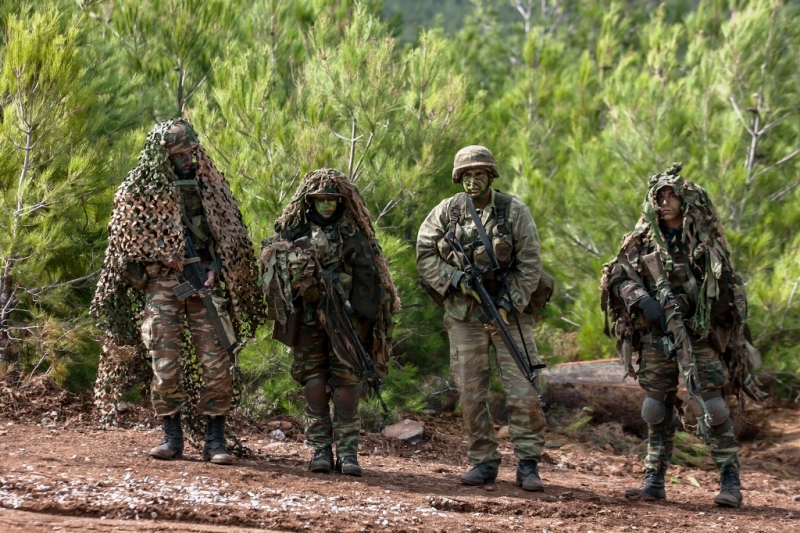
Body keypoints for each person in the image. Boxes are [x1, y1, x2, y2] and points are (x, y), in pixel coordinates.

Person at [91, 118, 263, 465]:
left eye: (191, 152)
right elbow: (124, 249)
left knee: (216, 363)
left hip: (203, 286)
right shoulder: (137, 192)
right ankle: (172, 436)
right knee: (164, 363)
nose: (188, 159)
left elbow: (228, 237)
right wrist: (161, 263)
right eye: (180, 154)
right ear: (164, 155)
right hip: (163, 286)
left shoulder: (209, 188)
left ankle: (215, 439)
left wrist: (214, 267)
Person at [600, 163, 765, 508]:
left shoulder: (702, 240)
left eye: (671, 195)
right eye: (659, 196)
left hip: (697, 335)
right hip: (656, 336)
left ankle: (730, 482)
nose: (664, 202)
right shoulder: (641, 240)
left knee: (713, 408)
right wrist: (642, 299)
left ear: (685, 200)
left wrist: (692, 304)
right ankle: (654, 479)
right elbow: (617, 276)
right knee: (655, 408)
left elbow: (726, 289)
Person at [416, 145, 548, 491]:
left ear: (491, 176)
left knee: (524, 390)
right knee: (470, 393)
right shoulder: (446, 212)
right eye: (467, 175)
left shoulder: (512, 211)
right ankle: (483, 461)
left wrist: (506, 305)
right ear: (459, 179)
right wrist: (456, 279)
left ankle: (528, 464)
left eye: (480, 174)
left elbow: (530, 263)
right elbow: (425, 254)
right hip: (463, 313)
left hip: (509, 311)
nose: (473, 181)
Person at [262, 168, 399, 477]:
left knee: (346, 388)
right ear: (310, 202)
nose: (326, 206)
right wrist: (304, 280)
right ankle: (321, 449)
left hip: (347, 323)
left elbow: (371, 281)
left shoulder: (354, 234)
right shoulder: (293, 232)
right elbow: (275, 273)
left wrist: (349, 305)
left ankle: (348, 453)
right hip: (308, 321)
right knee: (314, 383)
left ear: (340, 202)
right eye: (320, 201)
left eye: (331, 201)